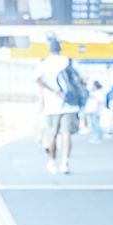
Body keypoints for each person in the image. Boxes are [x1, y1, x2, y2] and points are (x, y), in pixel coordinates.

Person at [35, 40, 81, 175]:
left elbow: (37, 79)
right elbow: (79, 79)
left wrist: (52, 91)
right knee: (66, 134)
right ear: (60, 49)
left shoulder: (44, 64)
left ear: (49, 49)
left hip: (51, 105)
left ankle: (52, 161)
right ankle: (65, 163)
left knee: (52, 134)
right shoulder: (67, 61)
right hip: (69, 103)